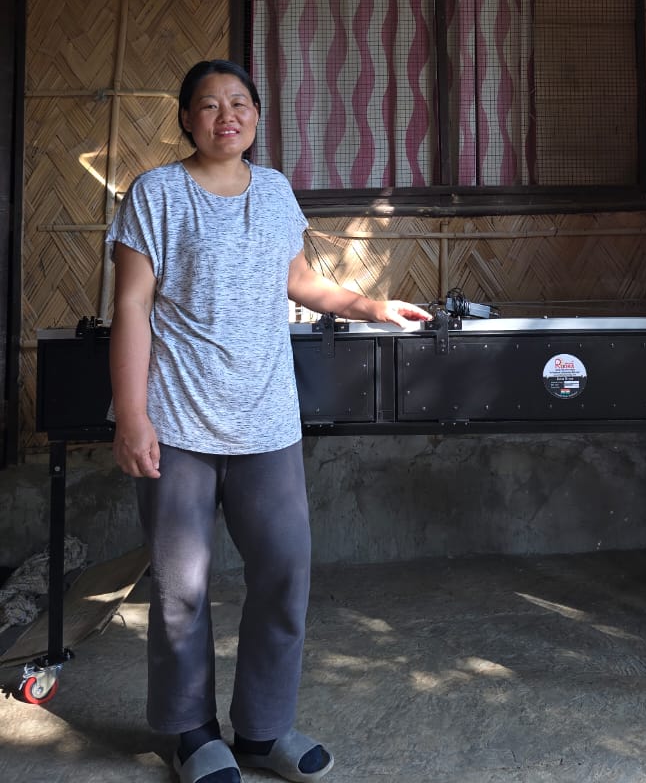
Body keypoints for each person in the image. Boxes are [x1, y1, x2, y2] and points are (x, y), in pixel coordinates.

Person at [108, 59, 430, 783]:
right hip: (178, 420)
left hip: (267, 422)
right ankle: (191, 732)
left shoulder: (277, 191)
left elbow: (299, 282)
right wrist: (131, 416)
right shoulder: (157, 193)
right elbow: (131, 305)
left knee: (284, 573)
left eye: (240, 103)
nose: (227, 115)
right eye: (209, 104)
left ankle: (262, 729)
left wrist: (373, 306)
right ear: (186, 119)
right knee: (181, 590)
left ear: (256, 115)